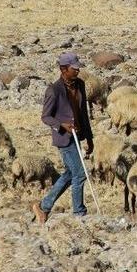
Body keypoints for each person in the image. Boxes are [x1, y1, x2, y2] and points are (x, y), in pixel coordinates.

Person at [31, 52, 94, 224]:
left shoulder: (80, 85)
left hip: (78, 135)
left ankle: (43, 207)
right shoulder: (54, 90)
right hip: (64, 138)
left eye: (78, 68)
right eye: (74, 69)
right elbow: (46, 117)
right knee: (80, 174)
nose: (77, 72)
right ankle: (79, 214)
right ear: (63, 69)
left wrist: (89, 138)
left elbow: (84, 114)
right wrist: (62, 125)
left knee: (69, 174)